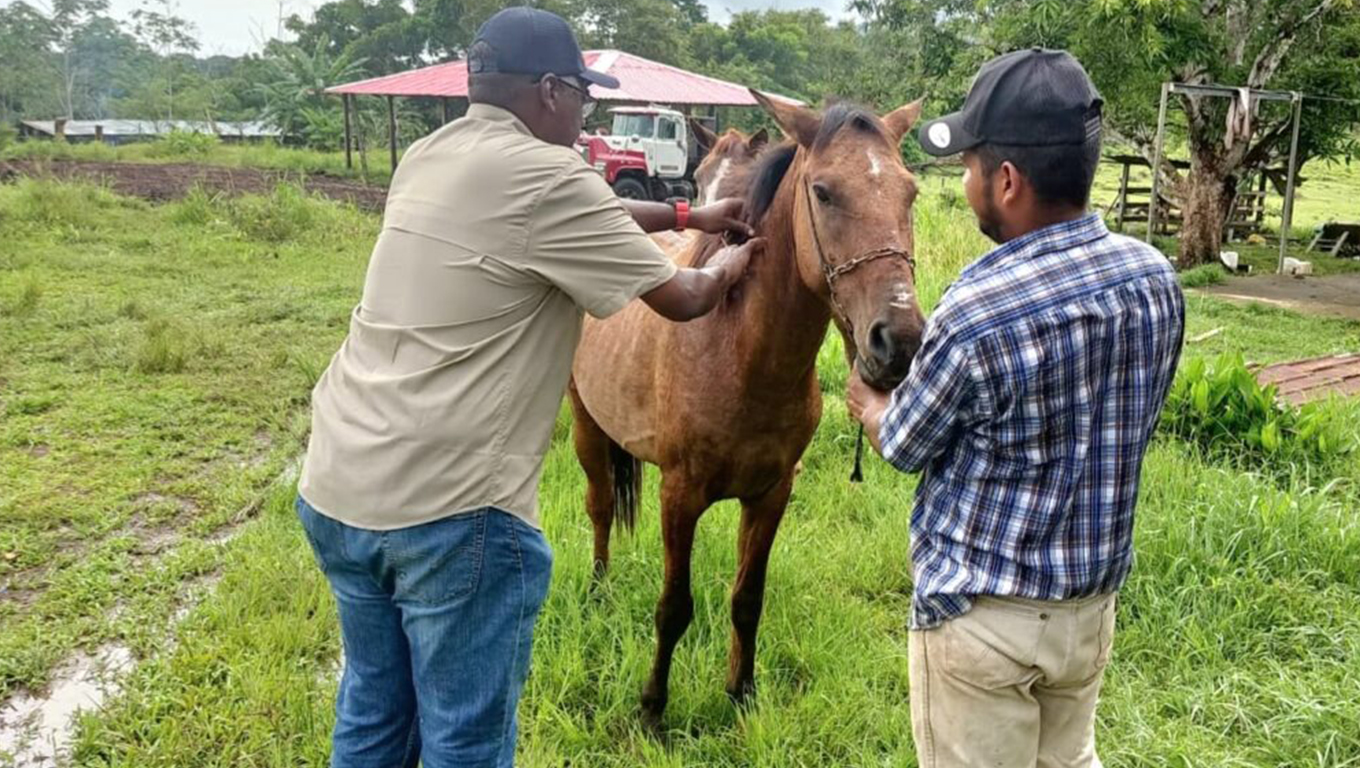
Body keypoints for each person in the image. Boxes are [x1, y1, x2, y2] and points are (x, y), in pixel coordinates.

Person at [293, 8, 763, 768]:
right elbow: (686, 297)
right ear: (549, 90)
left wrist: (687, 210)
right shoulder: (550, 176)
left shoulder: (429, 153)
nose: (586, 112)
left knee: (374, 718)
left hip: (339, 484)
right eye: (583, 95)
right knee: (465, 744)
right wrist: (730, 259)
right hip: (448, 514)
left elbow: (594, 210)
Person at [846, 49, 1185, 767]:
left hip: (983, 626)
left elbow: (905, 443)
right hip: (1088, 616)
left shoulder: (977, 309)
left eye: (969, 168)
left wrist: (870, 401)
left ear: (1006, 180)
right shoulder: (1155, 280)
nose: (967, 184)